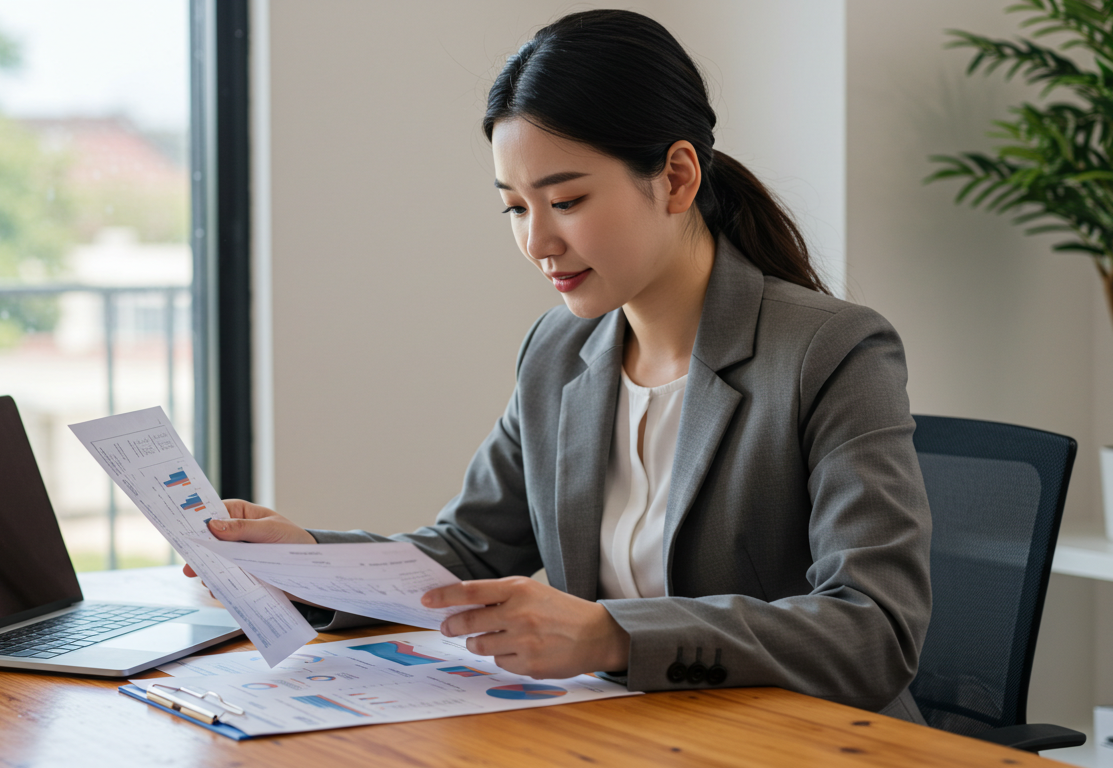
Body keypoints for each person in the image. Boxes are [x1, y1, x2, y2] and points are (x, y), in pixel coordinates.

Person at [184, 9, 932, 722]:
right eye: (514, 207)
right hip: (625, 735)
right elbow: (466, 550)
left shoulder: (831, 352)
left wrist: (614, 635)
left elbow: (872, 629)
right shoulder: (560, 352)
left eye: (566, 200)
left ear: (676, 177)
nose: (538, 242)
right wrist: (306, 562)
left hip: (800, 743)